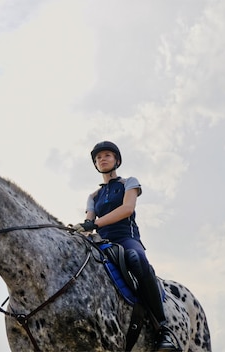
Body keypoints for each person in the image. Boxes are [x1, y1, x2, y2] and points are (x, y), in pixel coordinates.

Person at [72, 141, 178, 352]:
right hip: (103, 242)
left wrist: (93, 224)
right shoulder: (93, 196)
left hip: (126, 239)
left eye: (107, 155)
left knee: (137, 260)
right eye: (98, 157)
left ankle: (163, 330)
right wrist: (77, 230)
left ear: (116, 160)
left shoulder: (130, 182)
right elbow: (89, 221)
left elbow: (127, 209)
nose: (102, 159)